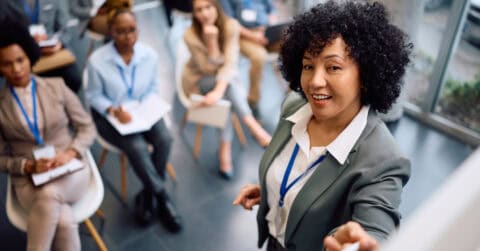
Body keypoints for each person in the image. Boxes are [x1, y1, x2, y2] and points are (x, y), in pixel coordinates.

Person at [233, 1, 413, 250]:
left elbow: (376, 229)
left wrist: (363, 244)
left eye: (333, 67)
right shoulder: (294, 106)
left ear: (366, 74)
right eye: (308, 66)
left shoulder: (384, 161)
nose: (315, 81)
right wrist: (272, 190)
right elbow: (299, 176)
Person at [0, 20, 95, 251]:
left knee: (50, 195)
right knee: (63, 219)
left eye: (21, 60)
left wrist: (70, 153)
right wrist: (27, 167)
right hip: (29, 181)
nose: (17, 69)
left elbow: (87, 127)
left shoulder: (57, 85)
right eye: (7, 64)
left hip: (70, 169)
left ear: (30, 57)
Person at [85, 9, 182, 232]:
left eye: (132, 31)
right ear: (111, 32)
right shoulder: (97, 61)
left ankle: (148, 194)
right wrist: (112, 109)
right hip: (112, 118)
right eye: (120, 32)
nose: (128, 37)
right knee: (136, 147)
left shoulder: (149, 55)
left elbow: (152, 88)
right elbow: (93, 96)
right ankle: (162, 196)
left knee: (165, 139)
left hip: (142, 111)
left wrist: (146, 106)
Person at [183, 0, 272, 179]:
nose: (204, 13)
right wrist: (212, 42)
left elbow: (230, 64)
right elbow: (207, 68)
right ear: (194, 14)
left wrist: (218, 91)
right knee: (229, 88)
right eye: (199, 10)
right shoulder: (190, 35)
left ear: (216, 7)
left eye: (208, 7)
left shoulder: (231, 26)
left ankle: (225, 151)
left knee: (225, 96)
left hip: (223, 83)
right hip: (199, 80)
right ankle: (253, 126)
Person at [219, 0, 284, 116]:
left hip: (266, 32)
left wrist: (272, 28)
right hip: (244, 35)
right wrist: (253, 36)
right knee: (258, 57)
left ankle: (295, 90)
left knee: (293, 44)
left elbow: (271, 10)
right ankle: (253, 101)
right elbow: (230, 22)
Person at [10, 0, 83, 93]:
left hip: (52, 51)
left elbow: (65, 29)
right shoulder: (7, 3)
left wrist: (58, 44)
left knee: (73, 79)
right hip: (23, 52)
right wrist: (28, 40)